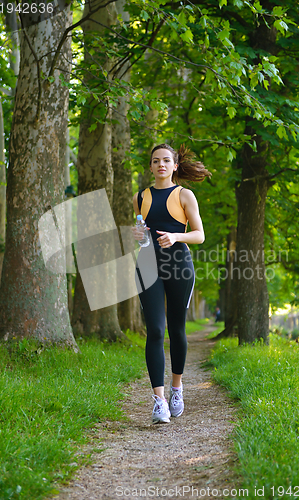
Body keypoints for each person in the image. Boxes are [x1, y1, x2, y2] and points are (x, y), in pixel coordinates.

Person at [132, 143, 211, 424]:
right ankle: (159, 400)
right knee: (155, 329)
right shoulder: (140, 196)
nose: (161, 165)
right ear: (151, 166)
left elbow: (200, 235)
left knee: (176, 329)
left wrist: (176, 237)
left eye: (166, 161)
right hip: (147, 265)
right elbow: (143, 234)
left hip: (179, 265)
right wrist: (137, 235)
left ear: (175, 166)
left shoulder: (185, 195)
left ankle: (177, 388)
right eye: (156, 161)